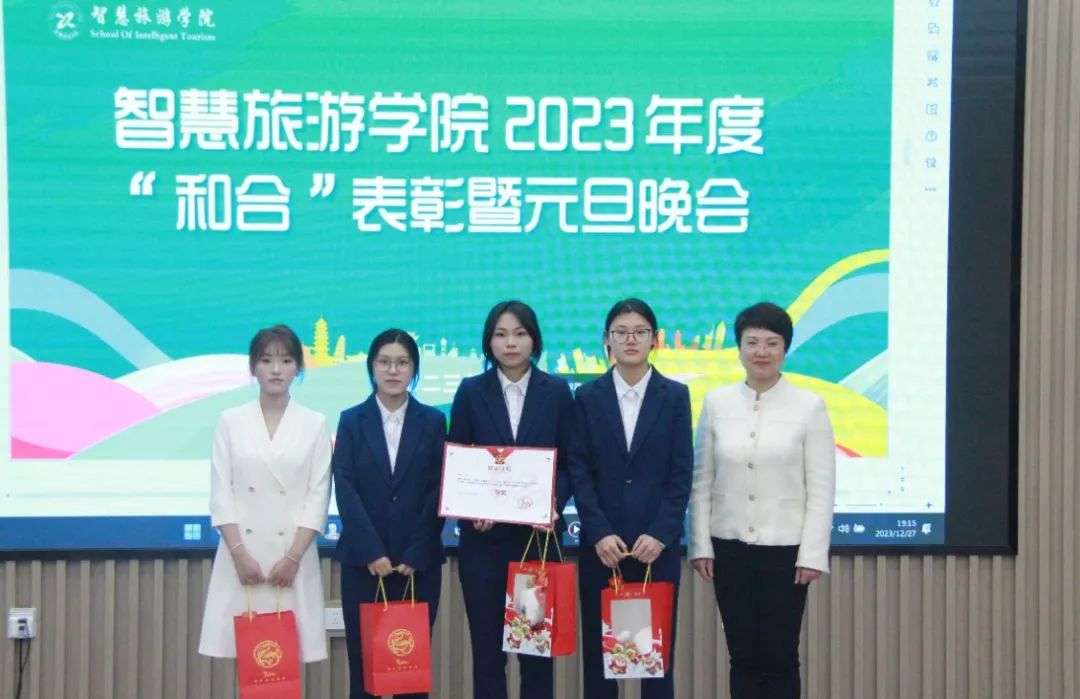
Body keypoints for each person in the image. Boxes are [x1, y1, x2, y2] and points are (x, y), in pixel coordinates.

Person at [689, 302, 836, 699]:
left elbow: (821, 487)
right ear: (739, 349)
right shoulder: (716, 403)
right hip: (729, 547)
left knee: (781, 655)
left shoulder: (809, 405)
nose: (761, 352)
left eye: (771, 343)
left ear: (785, 348)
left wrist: (812, 554)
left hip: (785, 551)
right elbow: (701, 480)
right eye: (751, 342)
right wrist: (701, 545)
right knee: (742, 655)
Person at [448, 300, 575, 699]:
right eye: (501, 334)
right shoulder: (471, 391)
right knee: (488, 657)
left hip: (536, 545)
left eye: (520, 333)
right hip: (483, 546)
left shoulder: (557, 392)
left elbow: (570, 463)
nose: (510, 343)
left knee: (535, 654)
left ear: (534, 340)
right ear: (489, 342)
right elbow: (457, 460)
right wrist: (471, 508)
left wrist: (553, 501)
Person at [568, 298, 693, 699]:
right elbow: (579, 469)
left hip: (656, 549)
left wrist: (660, 534)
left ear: (655, 340)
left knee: (655, 661)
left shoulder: (675, 396)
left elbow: (681, 474)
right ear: (607, 341)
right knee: (601, 661)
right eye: (621, 333)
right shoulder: (588, 396)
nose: (630, 340)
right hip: (602, 550)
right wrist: (598, 532)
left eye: (640, 332)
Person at [199, 324, 332, 664]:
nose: (276, 370)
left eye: (286, 361)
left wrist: (292, 559)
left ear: (298, 368)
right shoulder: (230, 421)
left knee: (285, 662)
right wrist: (239, 555)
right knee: (248, 656)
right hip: (242, 557)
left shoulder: (315, 423)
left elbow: (318, 496)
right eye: (266, 360)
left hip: (292, 559)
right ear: (253, 366)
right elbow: (221, 492)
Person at [333, 329, 448, 699]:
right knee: (365, 672)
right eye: (384, 362)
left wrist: (418, 551)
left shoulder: (433, 421)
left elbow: (439, 488)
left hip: (418, 565)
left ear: (413, 369)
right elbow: (345, 487)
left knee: (409, 671)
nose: (393, 370)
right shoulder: (351, 420)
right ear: (372, 367)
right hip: (364, 564)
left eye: (402, 363)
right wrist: (371, 551)